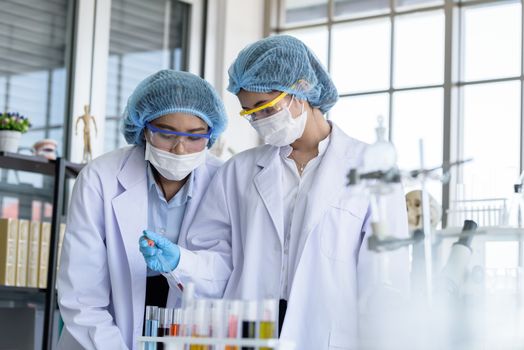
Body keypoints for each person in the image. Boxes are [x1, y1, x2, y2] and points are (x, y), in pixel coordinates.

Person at [140, 36, 410, 349]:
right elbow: (219, 263)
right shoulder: (238, 172)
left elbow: (384, 281)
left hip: (330, 337)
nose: (259, 121)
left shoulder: (370, 168)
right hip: (250, 335)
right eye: (249, 113)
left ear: (301, 89)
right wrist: (180, 261)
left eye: (265, 108)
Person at [57, 70, 227, 350]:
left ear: (212, 135)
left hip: (190, 330)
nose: (180, 149)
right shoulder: (100, 177)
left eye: (195, 136)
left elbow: (226, 274)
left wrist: (180, 264)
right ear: (144, 129)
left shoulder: (224, 180)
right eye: (166, 134)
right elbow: (82, 296)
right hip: (101, 336)